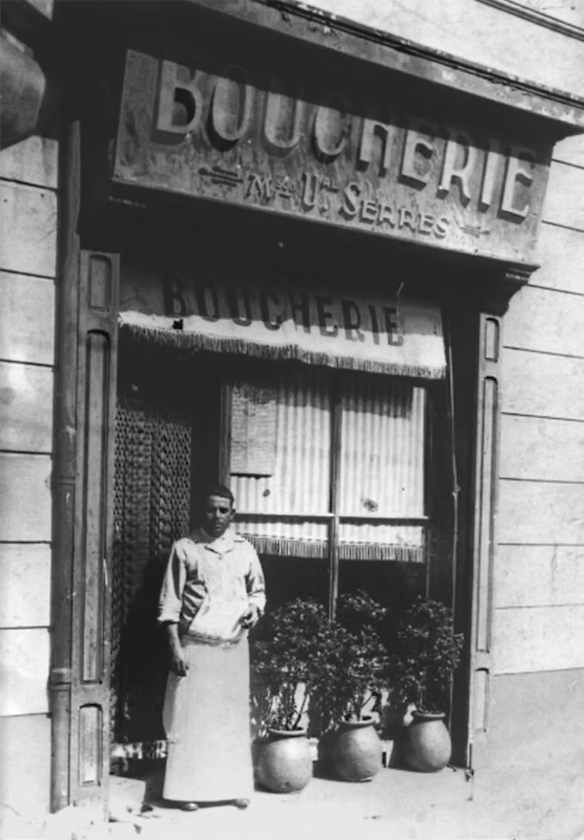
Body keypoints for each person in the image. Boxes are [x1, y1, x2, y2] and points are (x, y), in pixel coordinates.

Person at [157, 482, 266, 811]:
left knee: (230, 720)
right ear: (200, 512)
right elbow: (169, 606)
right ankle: (186, 790)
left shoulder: (245, 549)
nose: (216, 515)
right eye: (210, 509)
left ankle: (232, 787)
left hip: (233, 647)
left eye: (223, 510)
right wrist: (175, 648)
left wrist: (253, 609)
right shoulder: (185, 548)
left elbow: (258, 593)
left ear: (233, 514)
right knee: (192, 721)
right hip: (197, 647)